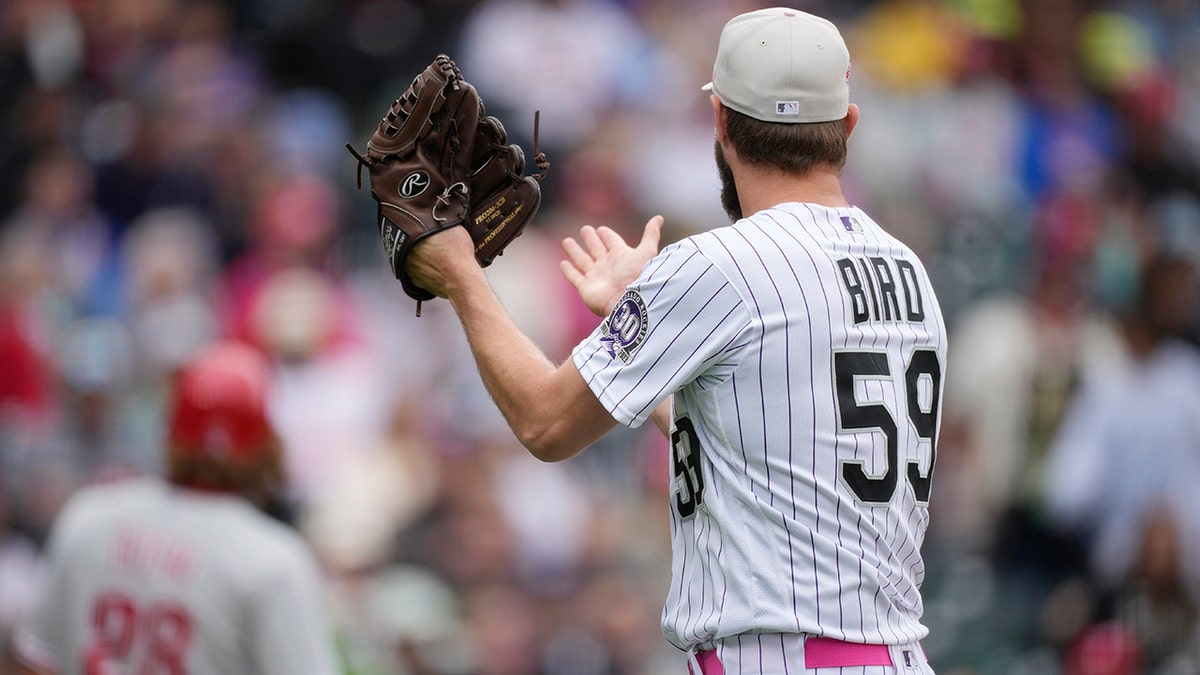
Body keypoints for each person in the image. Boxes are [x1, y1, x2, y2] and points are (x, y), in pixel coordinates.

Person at [406, 7, 947, 674]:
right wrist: (649, 335)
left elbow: (544, 422)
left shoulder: (723, 265)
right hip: (889, 655)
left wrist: (461, 274)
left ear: (720, 120)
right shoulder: (909, 270)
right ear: (848, 125)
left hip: (779, 659)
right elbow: (754, 444)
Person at [2, 341, 340, 675]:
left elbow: (35, 662)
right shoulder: (273, 560)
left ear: (172, 432)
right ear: (267, 448)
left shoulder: (89, 515)